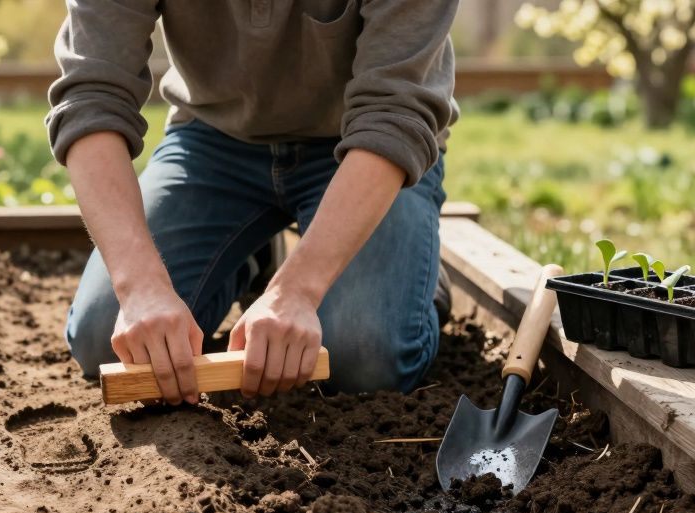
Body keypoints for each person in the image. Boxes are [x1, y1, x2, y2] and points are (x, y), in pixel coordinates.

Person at [47, 0, 458, 404]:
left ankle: (416, 275)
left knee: (363, 361)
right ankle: (249, 254)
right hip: (214, 143)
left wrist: (296, 293)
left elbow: (394, 114)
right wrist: (141, 288)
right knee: (106, 338)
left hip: (364, 149)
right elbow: (90, 98)